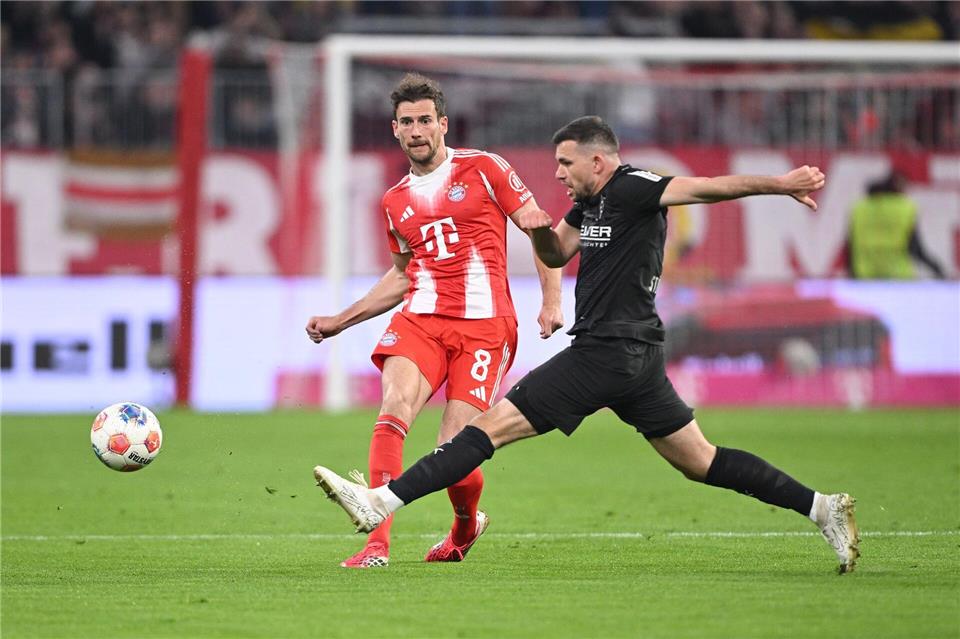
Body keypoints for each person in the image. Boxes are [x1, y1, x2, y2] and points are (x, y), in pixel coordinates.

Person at [313, 115, 862, 575]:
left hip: (605, 352)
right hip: (635, 358)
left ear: (597, 162)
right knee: (701, 461)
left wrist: (779, 184)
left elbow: (710, 187)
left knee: (483, 431)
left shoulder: (635, 186)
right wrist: (535, 228)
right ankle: (822, 508)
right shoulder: (588, 206)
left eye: (566, 163)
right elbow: (556, 253)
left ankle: (380, 501)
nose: (558, 173)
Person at [305, 73, 563, 568]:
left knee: (455, 447)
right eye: (407, 122)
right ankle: (376, 546)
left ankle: (466, 525)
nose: (416, 130)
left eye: (425, 120)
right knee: (394, 407)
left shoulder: (484, 168)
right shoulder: (395, 201)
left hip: (485, 327)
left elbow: (540, 232)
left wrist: (551, 301)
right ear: (395, 130)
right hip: (422, 319)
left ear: (443, 124)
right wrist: (342, 319)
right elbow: (404, 275)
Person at [848, 170, 946, 279]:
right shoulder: (905, 208)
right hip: (898, 276)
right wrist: (937, 268)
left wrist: (852, 274)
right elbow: (916, 249)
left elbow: (850, 245)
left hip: (864, 275)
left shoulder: (860, 208)